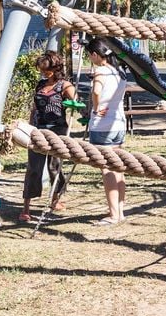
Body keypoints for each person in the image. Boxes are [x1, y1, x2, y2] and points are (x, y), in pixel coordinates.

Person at [20, 51, 78, 222]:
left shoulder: (64, 86)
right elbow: (34, 108)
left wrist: (75, 105)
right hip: (38, 131)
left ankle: (56, 199)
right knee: (33, 168)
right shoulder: (40, 85)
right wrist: (30, 126)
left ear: (55, 67)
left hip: (57, 131)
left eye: (47, 70)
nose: (44, 73)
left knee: (54, 167)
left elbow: (76, 101)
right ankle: (26, 207)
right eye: (42, 70)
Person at [86, 37, 128, 225]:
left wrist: (95, 109)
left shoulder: (101, 71)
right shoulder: (118, 72)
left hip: (103, 125)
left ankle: (113, 215)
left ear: (95, 55)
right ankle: (120, 211)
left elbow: (96, 91)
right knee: (118, 167)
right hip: (119, 124)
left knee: (107, 169)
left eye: (90, 56)